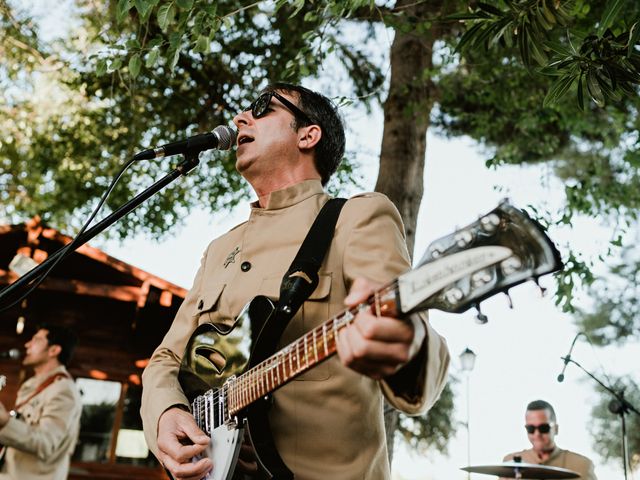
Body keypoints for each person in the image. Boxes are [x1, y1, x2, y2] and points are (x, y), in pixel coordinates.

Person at [140, 82, 450, 480]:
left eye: (261, 108)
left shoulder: (356, 217)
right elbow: (165, 359)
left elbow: (416, 342)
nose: (240, 119)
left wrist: (408, 341)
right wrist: (167, 413)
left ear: (308, 134)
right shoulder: (219, 249)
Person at [0, 324, 82, 480]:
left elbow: (45, 443)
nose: (27, 345)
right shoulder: (34, 385)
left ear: (54, 350)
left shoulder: (64, 390)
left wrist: (5, 423)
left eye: (36, 340)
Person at [503, 400, 597, 480]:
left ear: (556, 429)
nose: (537, 434)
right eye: (531, 428)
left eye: (543, 428)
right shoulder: (510, 463)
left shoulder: (582, 465)